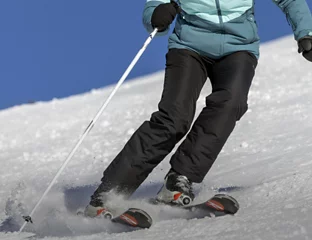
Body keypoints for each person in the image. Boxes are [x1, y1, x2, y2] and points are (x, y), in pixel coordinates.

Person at [84, 0, 312, 217]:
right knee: (174, 118)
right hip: (189, 47)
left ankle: (179, 178)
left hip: (239, 47)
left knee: (231, 102)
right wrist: (156, 15)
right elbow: (154, 4)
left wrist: (306, 32)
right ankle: (108, 194)